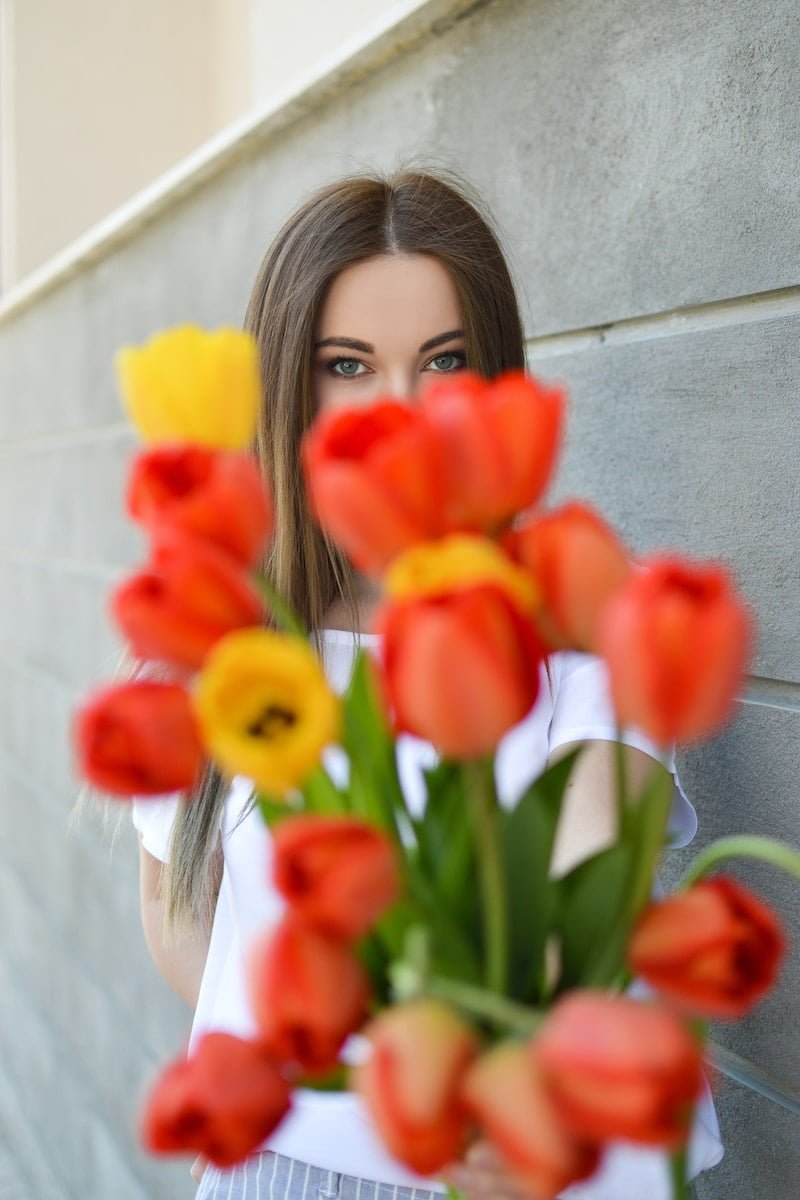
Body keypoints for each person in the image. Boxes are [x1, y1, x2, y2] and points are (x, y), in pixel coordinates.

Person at [132, 167, 724, 1200]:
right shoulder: (223, 636)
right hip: (300, 1169)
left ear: (496, 380)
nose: (399, 408)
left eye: (442, 360)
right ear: (284, 383)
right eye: (346, 365)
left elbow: (590, 879)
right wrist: (365, 1097)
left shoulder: (580, 611)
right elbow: (181, 920)